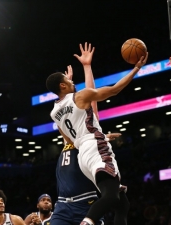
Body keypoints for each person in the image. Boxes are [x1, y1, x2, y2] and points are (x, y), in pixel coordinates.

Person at [46, 42, 148, 225]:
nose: (72, 82)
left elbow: (69, 138)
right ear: (62, 85)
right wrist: (136, 69)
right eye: (69, 81)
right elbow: (114, 90)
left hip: (83, 156)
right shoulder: (80, 97)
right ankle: (88, 222)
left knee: (121, 201)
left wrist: (74, 78)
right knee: (111, 197)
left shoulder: (54, 113)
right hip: (95, 147)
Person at [50, 43, 122, 225]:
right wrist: (65, 93)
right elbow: (63, 111)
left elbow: (91, 98)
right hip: (62, 204)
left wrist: (87, 67)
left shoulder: (86, 138)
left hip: (85, 201)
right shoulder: (68, 134)